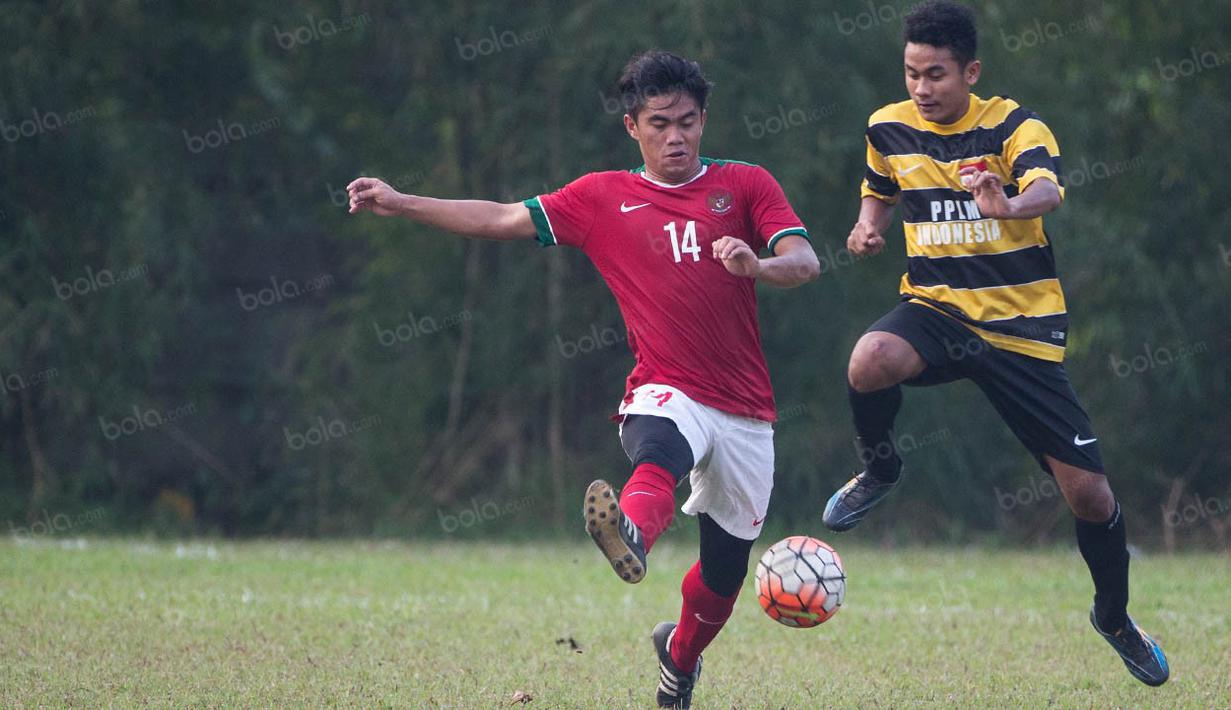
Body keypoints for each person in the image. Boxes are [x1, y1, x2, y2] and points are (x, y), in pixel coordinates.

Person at [347, 50, 819, 708]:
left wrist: (758, 267)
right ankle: (632, 532)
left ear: (704, 120)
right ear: (632, 127)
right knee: (659, 447)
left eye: (687, 122)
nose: (675, 137)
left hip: (745, 411)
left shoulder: (743, 185)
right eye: (659, 124)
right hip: (665, 387)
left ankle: (679, 659)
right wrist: (402, 203)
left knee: (722, 576)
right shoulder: (601, 197)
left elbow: (804, 260)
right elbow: (501, 217)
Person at [821, 0, 1168, 687]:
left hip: (1020, 330)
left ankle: (1113, 617)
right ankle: (881, 471)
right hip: (936, 309)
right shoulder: (887, 126)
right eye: (912, 73)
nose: (922, 88)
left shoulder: (1014, 125)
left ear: (970, 72)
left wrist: (1006, 204)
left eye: (937, 75)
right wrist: (867, 227)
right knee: (869, 360)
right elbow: (879, 187)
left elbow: (1046, 189)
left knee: (1090, 497)